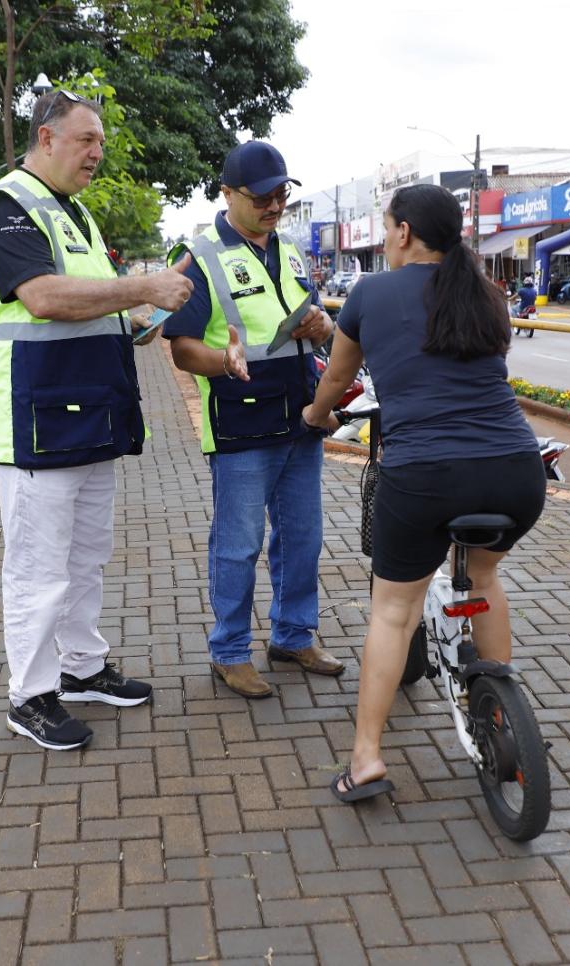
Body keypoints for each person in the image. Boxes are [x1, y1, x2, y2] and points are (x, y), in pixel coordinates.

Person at [0, 87, 194, 751]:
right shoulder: (7, 207)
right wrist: (142, 287)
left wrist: (144, 317)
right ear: (46, 138)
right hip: (33, 418)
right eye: (86, 139)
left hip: (85, 414)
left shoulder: (76, 218)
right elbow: (43, 299)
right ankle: (30, 697)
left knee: (86, 555)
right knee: (39, 567)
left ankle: (82, 669)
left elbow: (98, 307)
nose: (97, 152)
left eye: (100, 142)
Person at [302, 183, 545, 803]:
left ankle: (365, 759)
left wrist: (315, 416)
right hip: (516, 470)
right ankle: (500, 705)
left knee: (392, 610)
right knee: (484, 580)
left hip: (425, 475)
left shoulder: (370, 292)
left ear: (405, 232)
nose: (386, 238)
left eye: (388, 228)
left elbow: (337, 376)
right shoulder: (486, 295)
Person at [163, 141, 338, 700]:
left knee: (303, 538)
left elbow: (312, 321)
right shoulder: (201, 256)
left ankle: (292, 634)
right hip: (240, 423)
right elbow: (182, 349)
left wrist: (322, 330)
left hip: (301, 417)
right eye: (262, 196)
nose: (275, 205)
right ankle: (230, 650)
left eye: (282, 194)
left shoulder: (288, 251)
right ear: (228, 193)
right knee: (238, 544)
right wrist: (223, 360)